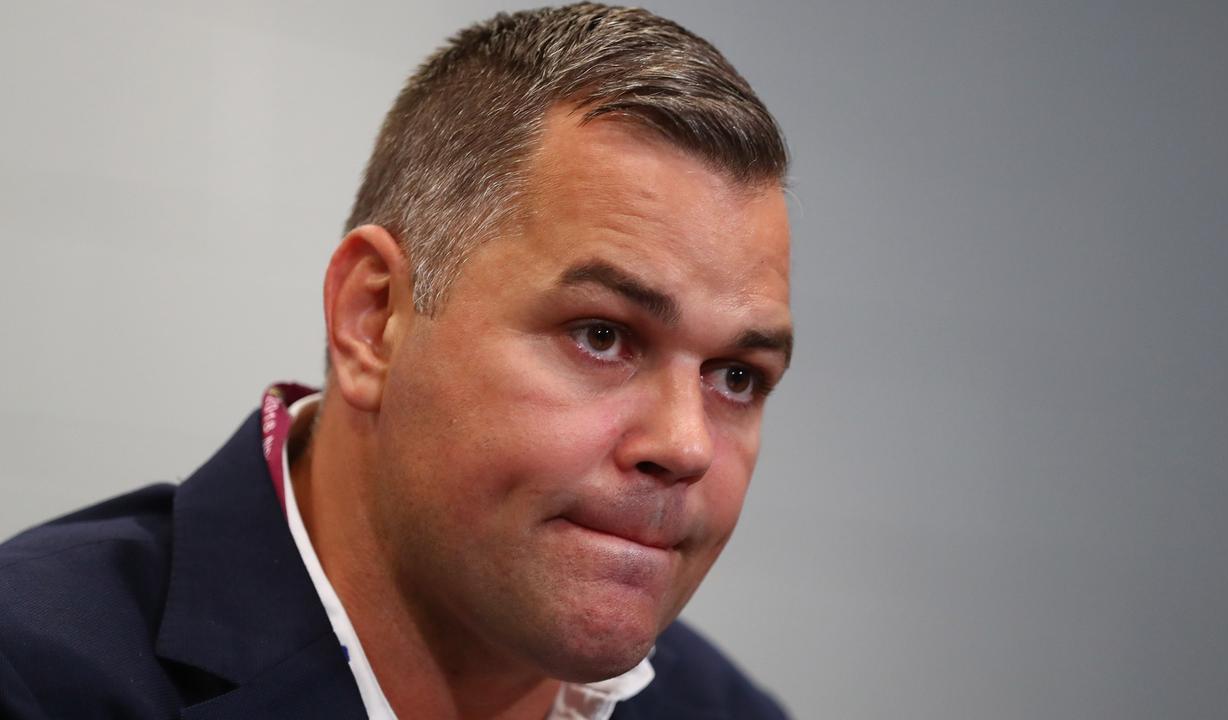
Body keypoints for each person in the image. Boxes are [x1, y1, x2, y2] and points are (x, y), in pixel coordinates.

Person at [0, 4, 793, 718]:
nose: (686, 446)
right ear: (374, 318)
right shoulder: (35, 672)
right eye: (601, 335)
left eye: (736, 377)